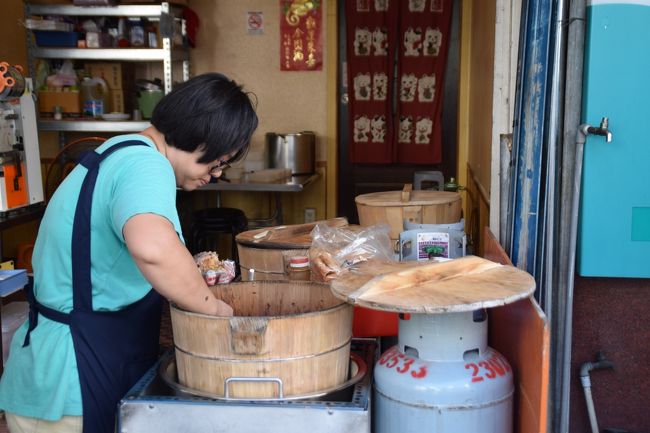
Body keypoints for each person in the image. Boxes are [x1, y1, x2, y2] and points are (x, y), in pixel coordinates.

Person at [0, 72, 258, 433]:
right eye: (216, 162)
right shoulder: (146, 165)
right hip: (71, 382)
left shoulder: (118, 151)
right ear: (201, 134)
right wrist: (215, 310)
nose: (215, 175)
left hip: (61, 370)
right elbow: (153, 249)